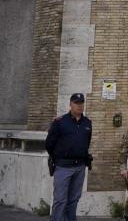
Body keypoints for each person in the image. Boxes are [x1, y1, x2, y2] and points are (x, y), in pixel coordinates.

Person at [46, 93, 93, 221]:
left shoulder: (87, 123)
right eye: (76, 103)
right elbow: (49, 144)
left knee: (74, 199)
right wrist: (59, 156)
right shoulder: (60, 122)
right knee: (60, 199)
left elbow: (87, 142)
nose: (79, 106)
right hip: (63, 167)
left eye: (81, 103)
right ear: (70, 104)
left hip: (80, 167)